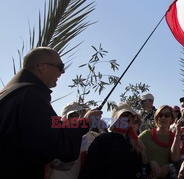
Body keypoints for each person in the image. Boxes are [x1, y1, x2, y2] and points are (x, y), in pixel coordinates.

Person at [0, 47, 99, 179]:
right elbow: (56, 143)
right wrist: (85, 122)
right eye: (60, 66)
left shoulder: (12, 94)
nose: (62, 72)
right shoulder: (31, 96)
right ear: (42, 67)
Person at [79, 102, 148, 179]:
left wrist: (151, 164)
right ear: (116, 119)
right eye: (124, 115)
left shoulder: (135, 144)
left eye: (131, 116)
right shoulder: (103, 140)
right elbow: (88, 169)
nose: (128, 118)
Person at [139, 105, 180, 179]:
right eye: (160, 115)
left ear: (171, 119)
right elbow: (134, 153)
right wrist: (149, 162)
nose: (163, 118)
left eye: (167, 115)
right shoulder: (146, 135)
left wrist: (168, 166)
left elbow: (175, 158)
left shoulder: (175, 137)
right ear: (156, 118)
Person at [48, 102, 85, 179]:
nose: (76, 119)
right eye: (73, 115)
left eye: (80, 115)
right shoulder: (54, 135)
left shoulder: (86, 138)